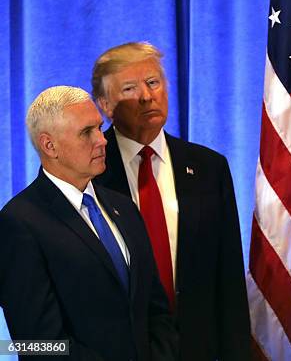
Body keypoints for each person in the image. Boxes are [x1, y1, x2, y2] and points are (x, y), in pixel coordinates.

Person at [91, 42, 251, 360]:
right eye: (129, 88)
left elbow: (228, 277)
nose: (147, 96)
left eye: (153, 82)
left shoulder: (208, 167)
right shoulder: (89, 171)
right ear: (105, 104)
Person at [0, 86, 178, 360]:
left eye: (99, 127)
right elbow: (37, 344)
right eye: (86, 132)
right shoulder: (20, 222)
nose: (102, 140)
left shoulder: (124, 207)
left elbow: (155, 308)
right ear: (50, 146)